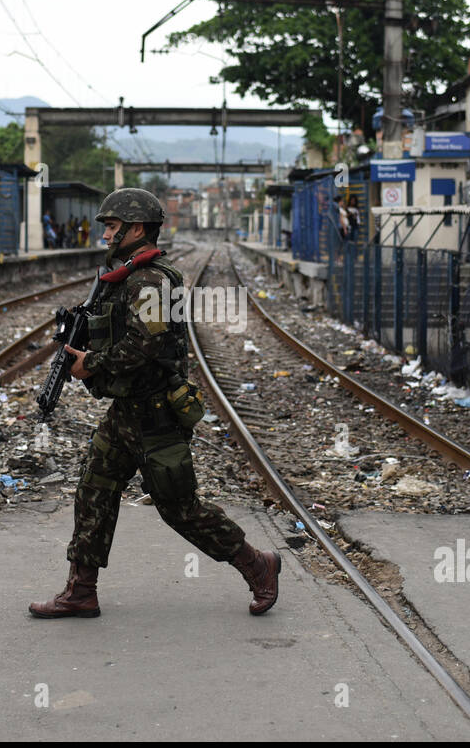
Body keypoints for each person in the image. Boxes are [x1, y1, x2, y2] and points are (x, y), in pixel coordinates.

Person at [29, 188, 282, 618]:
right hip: (126, 411)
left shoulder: (150, 280)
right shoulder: (128, 275)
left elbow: (146, 344)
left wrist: (92, 363)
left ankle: (258, 565)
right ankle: (80, 590)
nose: (106, 235)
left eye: (113, 227)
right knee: (95, 490)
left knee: (179, 508)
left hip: (156, 414)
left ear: (138, 228)